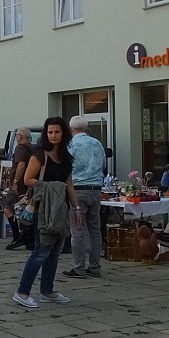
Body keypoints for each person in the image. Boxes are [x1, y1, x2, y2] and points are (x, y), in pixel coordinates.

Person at [13, 117, 83, 309]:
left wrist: (76, 208)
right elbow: (28, 179)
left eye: (57, 132)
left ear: (64, 133)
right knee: (41, 251)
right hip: (43, 209)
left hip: (61, 209)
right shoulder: (39, 155)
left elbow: (69, 184)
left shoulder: (66, 157)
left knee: (55, 252)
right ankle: (22, 291)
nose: (53, 135)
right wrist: (50, 187)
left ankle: (47, 291)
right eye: (50, 132)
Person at [63, 116, 106, 280]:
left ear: (71, 128)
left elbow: (67, 167)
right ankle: (95, 267)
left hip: (78, 189)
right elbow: (103, 165)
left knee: (78, 229)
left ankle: (78, 267)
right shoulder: (97, 143)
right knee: (95, 230)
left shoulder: (71, 145)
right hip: (96, 189)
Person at [5, 127, 34, 250]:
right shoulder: (33, 148)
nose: (16, 137)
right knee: (27, 211)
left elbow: (21, 166)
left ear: (20, 136)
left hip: (20, 185)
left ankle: (17, 237)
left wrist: (15, 182)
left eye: (17, 135)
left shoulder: (20, 148)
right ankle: (30, 239)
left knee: (8, 209)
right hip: (30, 185)